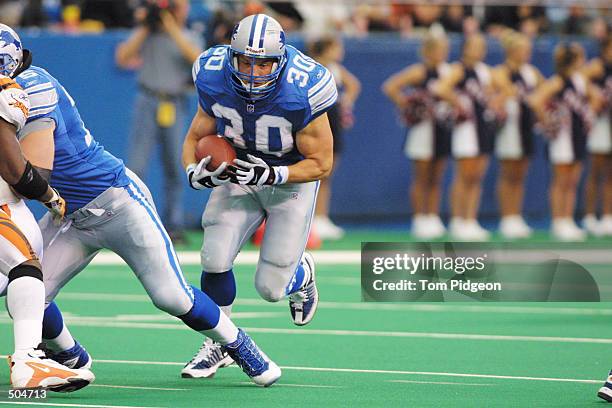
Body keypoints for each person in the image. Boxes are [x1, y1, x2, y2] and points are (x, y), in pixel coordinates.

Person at [0, 23, 281, 387]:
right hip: (68, 213)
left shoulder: (32, 89)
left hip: (114, 200)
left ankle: (239, 345)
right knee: (27, 290)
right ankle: (70, 354)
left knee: (171, 296)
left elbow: (35, 174)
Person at [181, 14, 334, 378]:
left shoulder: (305, 86)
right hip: (240, 174)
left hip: (290, 181)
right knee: (213, 256)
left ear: (280, 60)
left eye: (263, 63)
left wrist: (275, 173)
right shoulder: (212, 73)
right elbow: (195, 136)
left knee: (270, 289)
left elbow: (322, 163)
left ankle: (301, 274)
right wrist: (193, 171)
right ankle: (219, 342)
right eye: (246, 62)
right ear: (231, 56)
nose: (253, 72)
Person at [0, 23, 94, 391]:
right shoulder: (7, 93)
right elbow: (13, 167)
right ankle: (27, 360)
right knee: (25, 266)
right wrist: (49, 195)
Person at [115, 0, 202, 242]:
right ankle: (132, 223)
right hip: (148, 99)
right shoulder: (147, 34)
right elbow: (122, 57)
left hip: (173, 103)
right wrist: (146, 26)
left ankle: (173, 224)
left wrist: (170, 26)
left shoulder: (187, 35)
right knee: (137, 166)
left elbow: (197, 60)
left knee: (175, 165)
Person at [382, 26, 452, 239]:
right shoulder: (419, 71)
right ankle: (419, 218)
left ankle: (433, 216)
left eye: (444, 49)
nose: (442, 53)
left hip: (442, 127)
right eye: (438, 49)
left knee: (437, 176)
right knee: (421, 176)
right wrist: (409, 106)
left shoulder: (449, 72)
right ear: (429, 50)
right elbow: (391, 86)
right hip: (422, 130)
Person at [529, 42, 602, 241]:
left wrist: (589, 114)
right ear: (574, 60)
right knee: (560, 180)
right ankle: (558, 221)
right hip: (561, 137)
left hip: (578, 134)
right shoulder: (558, 81)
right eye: (581, 56)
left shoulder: (581, 80)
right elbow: (535, 100)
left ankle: (568, 219)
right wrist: (548, 122)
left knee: (572, 180)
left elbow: (597, 98)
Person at [435, 33, 504, 241]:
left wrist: (495, 101)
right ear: (466, 47)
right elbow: (441, 88)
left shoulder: (485, 71)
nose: (481, 49)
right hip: (465, 129)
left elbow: (506, 89)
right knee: (464, 175)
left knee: (477, 176)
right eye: (476, 45)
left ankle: (471, 219)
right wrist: (458, 102)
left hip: (483, 127)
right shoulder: (458, 69)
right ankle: (458, 220)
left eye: (482, 46)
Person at [493, 30, 544, 239]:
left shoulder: (531, 72)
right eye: (524, 50)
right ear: (512, 51)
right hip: (509, 128)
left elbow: (546, 89)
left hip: (526, 125)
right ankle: (506, 217)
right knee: (508, 173)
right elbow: (503, 92)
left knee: (520, 174)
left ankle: (516, 216)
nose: (527, 53)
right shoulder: (500, 71)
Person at [309, 35, 361, 240]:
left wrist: (345, 101)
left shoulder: (337, 69)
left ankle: (321, 217)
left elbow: (354, 85)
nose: (341, 50)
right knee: (315, 172)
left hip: (333, 121)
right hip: (316, 121)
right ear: (327, 47)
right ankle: (311, 218)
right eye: (337, 46)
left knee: (327, 172)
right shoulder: (312, 67)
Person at [582, 35, 612, 236]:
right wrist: (593, 94)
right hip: (600, 124)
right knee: (596, 170)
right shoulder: (597, 66)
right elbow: (578, 80)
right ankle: (590, 215)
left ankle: (608, 216)